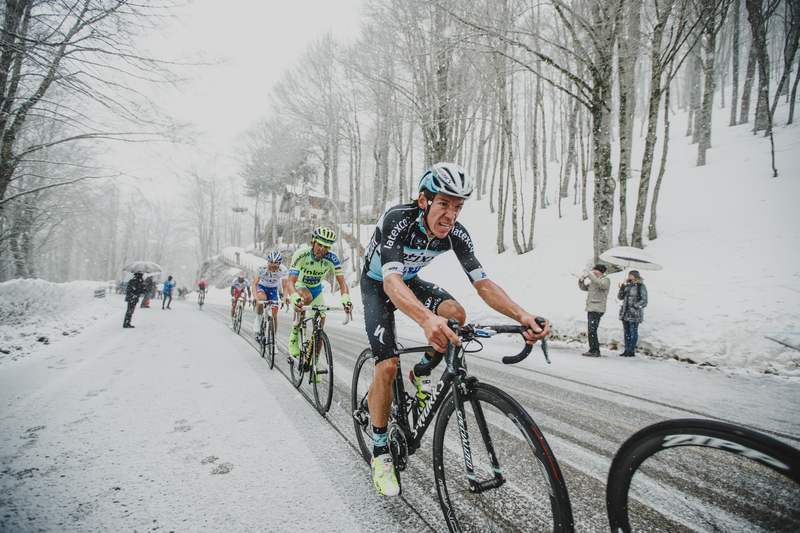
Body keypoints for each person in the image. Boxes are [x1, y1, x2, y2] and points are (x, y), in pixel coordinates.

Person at [360, 162, 549, 497]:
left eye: (458, 207)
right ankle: (380, 451)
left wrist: (522, 315)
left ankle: (421, 372)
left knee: (455, 315)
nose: (451, 215)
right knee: (387, 367)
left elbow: (483, 284)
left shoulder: (455, 234)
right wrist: (426, 320)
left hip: (410, 281)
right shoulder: (398, 220)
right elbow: (390, 282)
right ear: (423, 201)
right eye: (444, 204)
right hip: (378, 284)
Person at [286, 228, 353, 359]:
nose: (322, 249)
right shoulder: (301, 254)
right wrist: (294, 298)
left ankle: (314, 362)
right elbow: (290, 282)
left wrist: (346, 299)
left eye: (326, 247)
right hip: (301, 286)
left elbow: (342, 283)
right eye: (320, 245)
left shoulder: (332, 258)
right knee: (306, 297)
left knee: (320, 328)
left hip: (316, 290)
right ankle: (294, 336)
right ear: (312, 243)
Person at [252, 252, 288, 338]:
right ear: (268, 261)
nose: (273, 265)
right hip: (262, 287)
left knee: (274, 316)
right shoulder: (261, 267)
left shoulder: (283, 269)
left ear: (280, 263)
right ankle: (258, 318)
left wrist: (284, 297)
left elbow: (285, 286)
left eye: (276, 263)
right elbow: (254, 284)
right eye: (271, 262)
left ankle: (273, 339)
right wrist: (255, 297)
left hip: (273, 290)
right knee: (261, 298)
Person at [578, 264, 610, 357]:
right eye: (594, 270)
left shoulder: (605, 280)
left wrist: (590, 275)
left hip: (598, 308)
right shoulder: (594, 280)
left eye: (596, 270)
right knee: (591, 329)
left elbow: (600, 284)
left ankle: (594, 350)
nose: (594, 271)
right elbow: (584, 288)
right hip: (591, 307)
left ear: (601, 271)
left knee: (592, 330)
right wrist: (581, 280)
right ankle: (593, 349)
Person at [618, 270, 648, 357]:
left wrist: (635, 306)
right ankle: (626, 349)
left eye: (631, 275)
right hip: (625, 312)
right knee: (626, 332)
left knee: (633, 331)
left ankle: (631, 350)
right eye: (629, 275)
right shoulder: (627, 285)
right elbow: (620, 297)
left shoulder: (640, 286)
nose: (629, 276)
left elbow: (644, 300)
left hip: (634, 313)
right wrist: (622, 289)